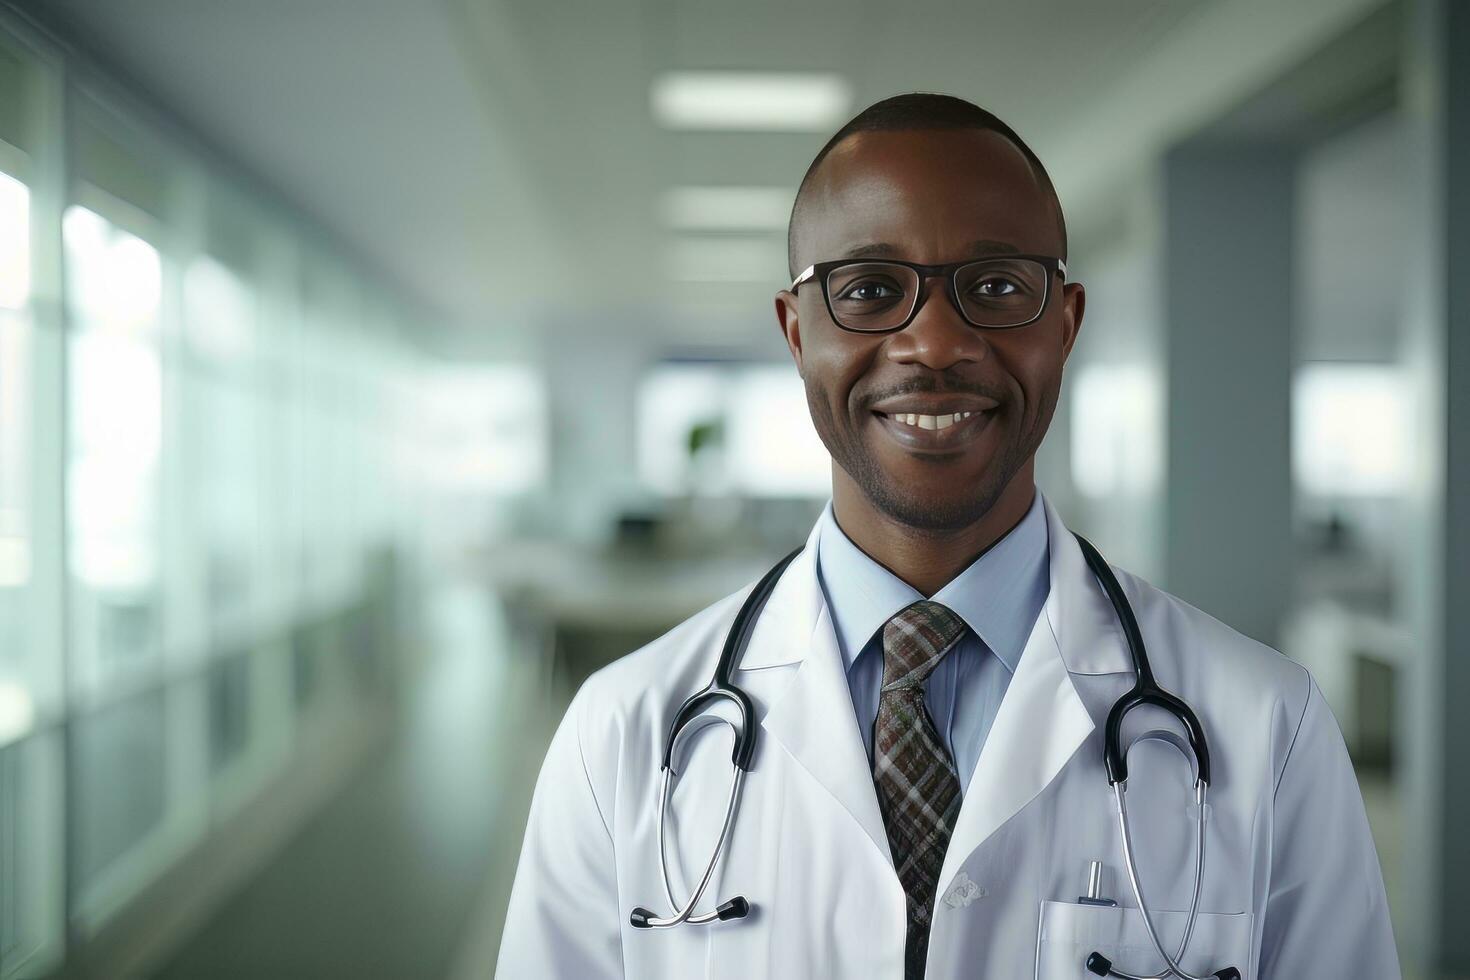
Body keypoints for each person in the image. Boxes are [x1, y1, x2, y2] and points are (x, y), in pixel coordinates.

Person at [496, 93, 1399, 979]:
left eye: (998, 286)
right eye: (869, 289)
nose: (932, 341)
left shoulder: (1266, 726)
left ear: (1067, 323)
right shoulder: (620, 735)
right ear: (795, 330)